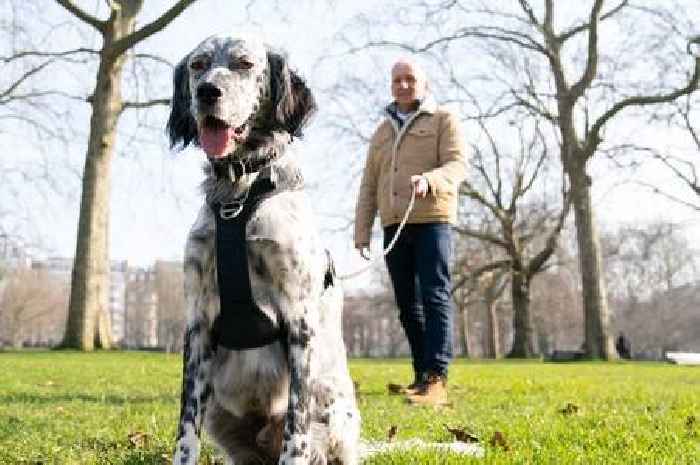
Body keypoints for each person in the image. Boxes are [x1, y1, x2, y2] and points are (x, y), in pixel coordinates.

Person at [354, 58, 466, 406]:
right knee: (406, 305)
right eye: (397, 80)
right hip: (393, 225)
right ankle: (420, 376)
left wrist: (430, 180)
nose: (403, 85)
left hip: (433, 219)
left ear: (424, 84)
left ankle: (437, 378)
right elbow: (369, 184)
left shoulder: (444, 119)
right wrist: (362, 231)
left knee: (434, 296)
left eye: (410, 79)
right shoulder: (381, 132)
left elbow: (457, 165)